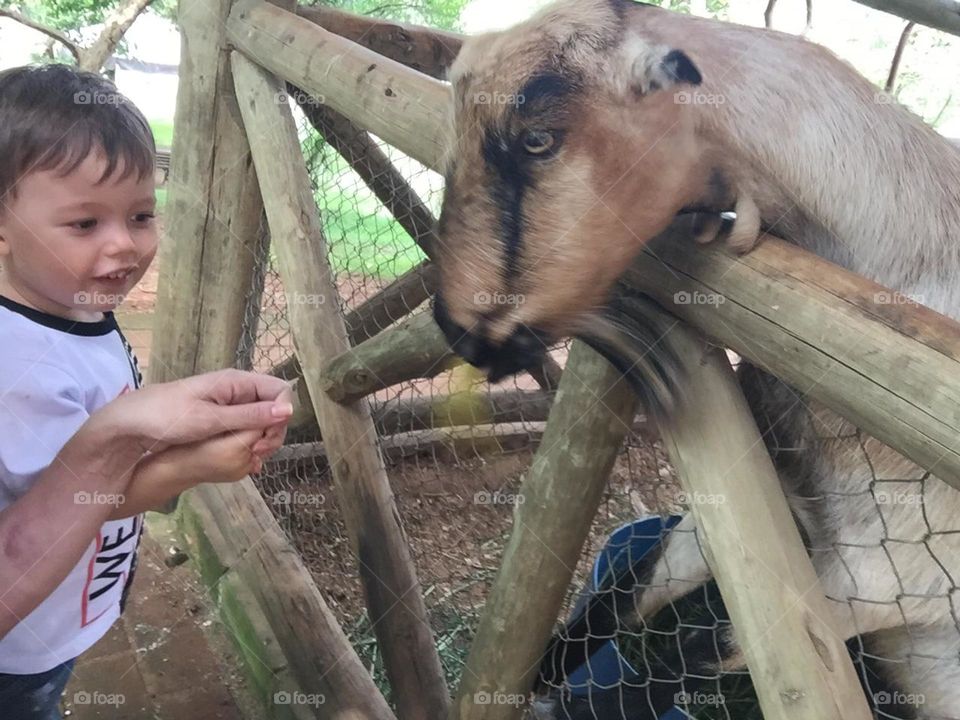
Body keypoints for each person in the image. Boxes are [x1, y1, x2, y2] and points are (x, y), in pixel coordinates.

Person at [0, 64, 291, 719]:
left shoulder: (78, 307)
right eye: (84, 224)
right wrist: (195, 466)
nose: (125, 246)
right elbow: (82, 498)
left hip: (75, 596)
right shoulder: (17, 366)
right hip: (26, 642)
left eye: (140, 215)